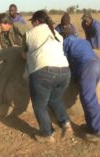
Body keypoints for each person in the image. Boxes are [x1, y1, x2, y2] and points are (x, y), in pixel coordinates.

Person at [22, 10, 72, 143]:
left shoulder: (28, 34)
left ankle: (47, 134)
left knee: (39, 105)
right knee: (55, 99)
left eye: (32, 22)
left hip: (44, 73)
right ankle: (66, 124)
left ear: (37, 21)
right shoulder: (57, 34)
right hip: (65, 72)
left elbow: (24, 56)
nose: (32, 24)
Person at [61, 26, 100, 142]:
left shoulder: (66, 42)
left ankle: (99, 132)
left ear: (64, 35)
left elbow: (64, 61)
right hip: (97, 64)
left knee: (89, 98)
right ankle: (91, 126)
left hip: (87, 67)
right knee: (86, 96)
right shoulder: (83, 41)